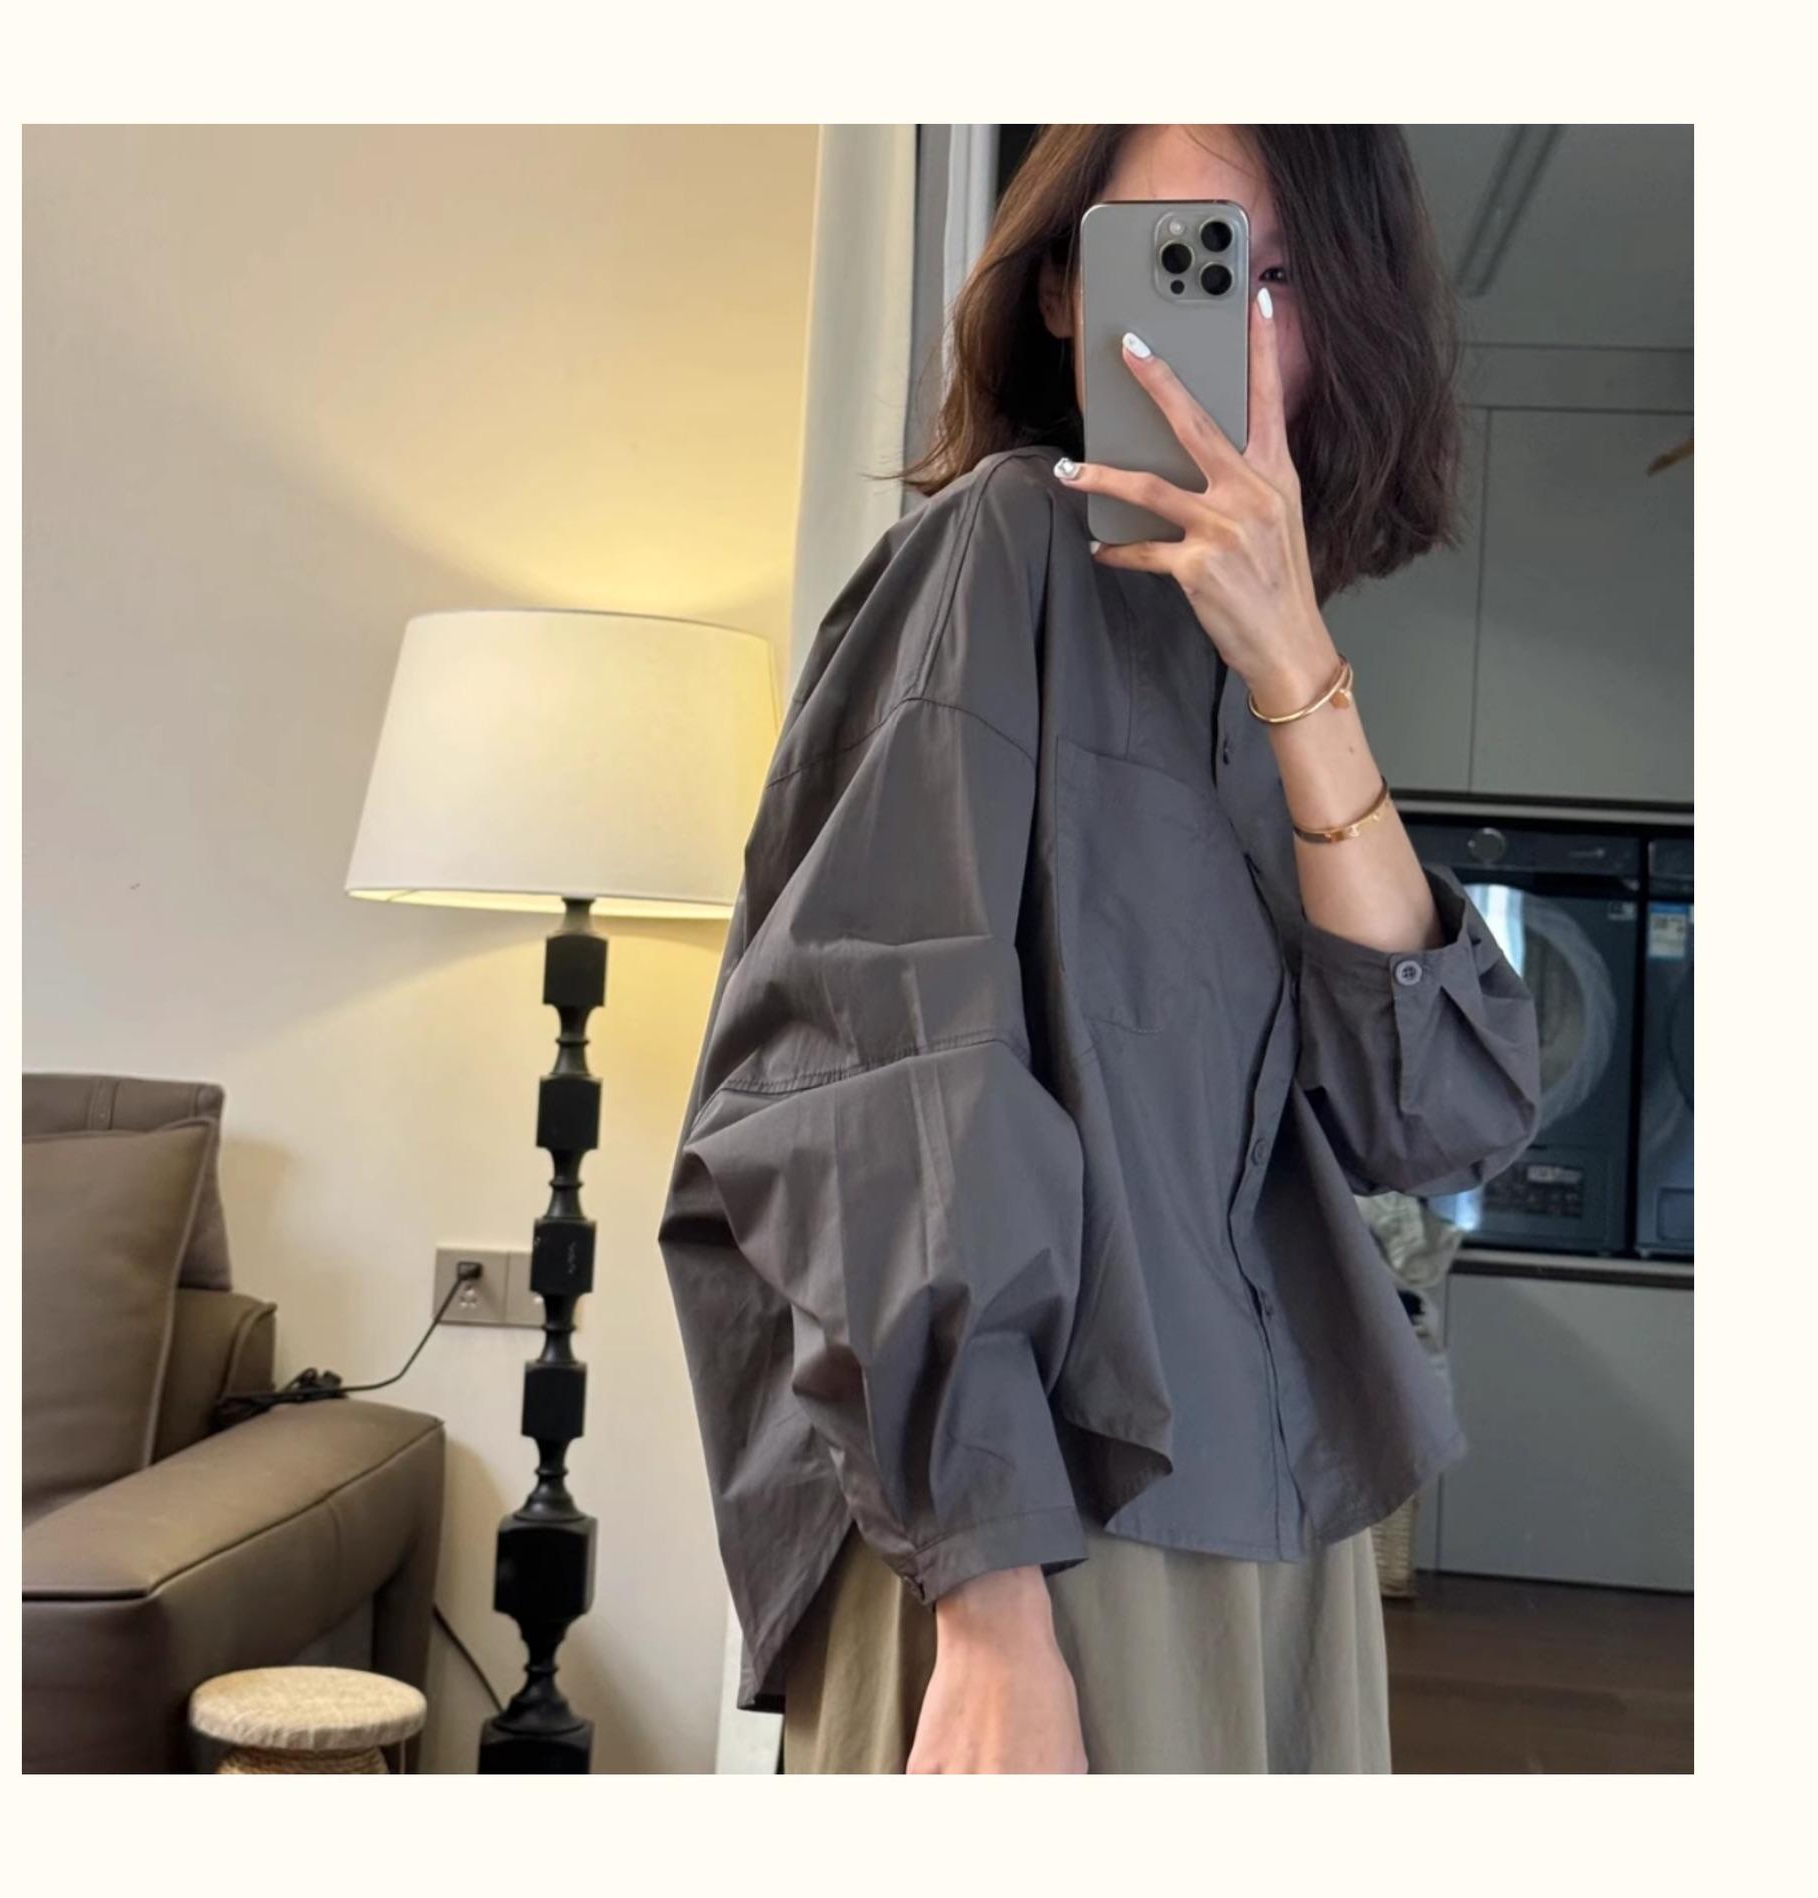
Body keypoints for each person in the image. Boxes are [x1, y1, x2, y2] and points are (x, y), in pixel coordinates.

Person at [655, 124, 1542, 1774]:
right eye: (1183, 257)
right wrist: (991, 1611)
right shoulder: (998, 553)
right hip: (1054, 1535)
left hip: (1279, 1523)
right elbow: (882, 1083)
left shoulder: (1271, 678)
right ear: (1065, 290)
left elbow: (1443, 1115)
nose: (1237, 322)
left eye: (1283, 275)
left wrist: (1296, 664)